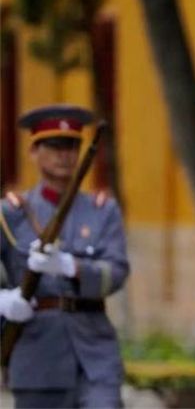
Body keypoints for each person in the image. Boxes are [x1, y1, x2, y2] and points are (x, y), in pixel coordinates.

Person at [0, 105, 129, 408]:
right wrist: (4, 301)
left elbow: (117, 271)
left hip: (95, 354)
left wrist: (72, 267)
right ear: (34, 152)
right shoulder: (10, 214)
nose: (65, 155)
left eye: (71, 146)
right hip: (37, 357)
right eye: (54, 146)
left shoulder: (102, 210)